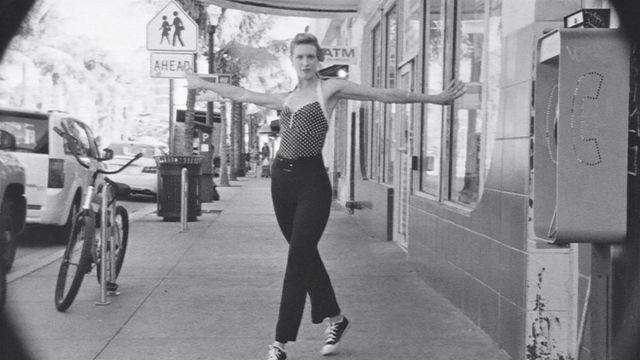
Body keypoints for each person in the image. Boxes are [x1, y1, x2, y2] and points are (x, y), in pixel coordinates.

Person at [185, 32, 466, 360]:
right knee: (303, 254)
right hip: (281, 182)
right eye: (299, 57)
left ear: (318, 60)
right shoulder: (287, 98)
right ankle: (336, 318)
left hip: (312, 182)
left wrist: (432, 99)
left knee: (296, 259)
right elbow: (244, 93)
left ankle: (280, 343)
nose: (305, 63)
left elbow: (383, 94)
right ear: (292, 60)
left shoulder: (329, 88)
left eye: (310, 57)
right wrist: (201, 84)